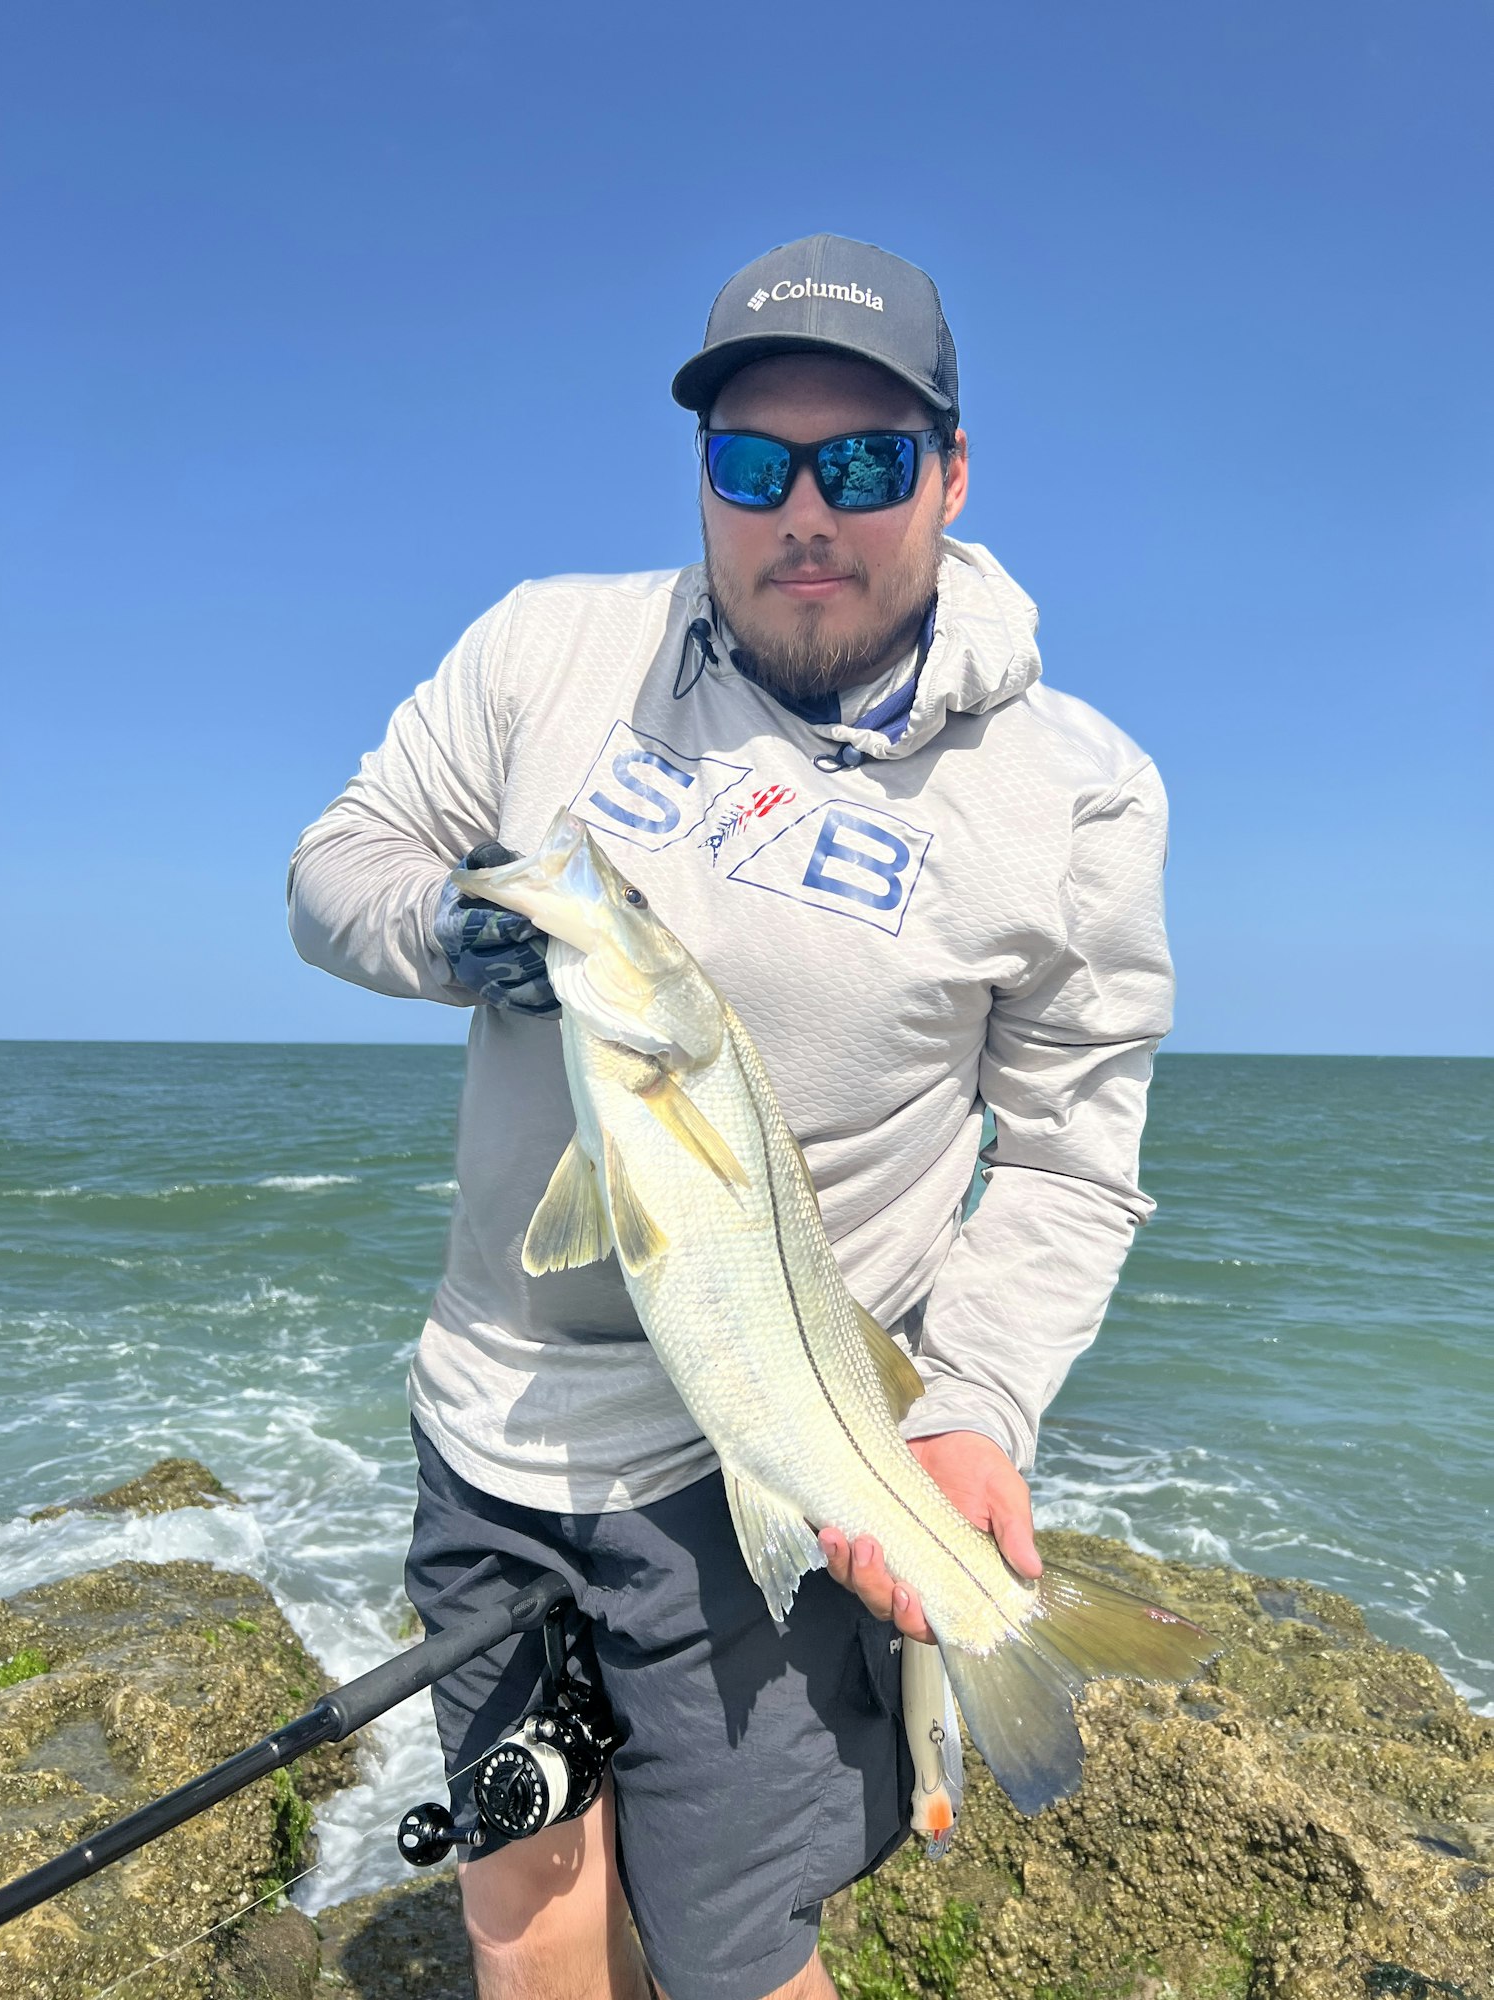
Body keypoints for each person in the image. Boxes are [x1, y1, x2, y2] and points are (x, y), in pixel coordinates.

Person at [287, 233, 1173, 2000]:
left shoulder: (1075, 792)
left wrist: (976, 1410)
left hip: (762, 1468)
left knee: (736, 1954)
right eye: (753, 465)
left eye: (863, 463)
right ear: (702, 474)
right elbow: (338, 861)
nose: (805, 515)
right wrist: (446, 930)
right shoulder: (549, 649)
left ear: (951, 472)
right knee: (525, 1896)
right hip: (490, 1433)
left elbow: (1075, 1152)